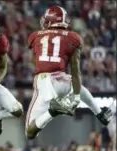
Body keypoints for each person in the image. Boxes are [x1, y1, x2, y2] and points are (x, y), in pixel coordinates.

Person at [26, 6, 112, 140]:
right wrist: (76, 98)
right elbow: (75, 70)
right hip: (63, 79)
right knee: (77, 86)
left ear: (49, 21)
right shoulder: (73, 37)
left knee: (30, 132)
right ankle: (100, 114)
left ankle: (52, 112)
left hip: (44, 81)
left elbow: (35, 61)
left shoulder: (35, 35)